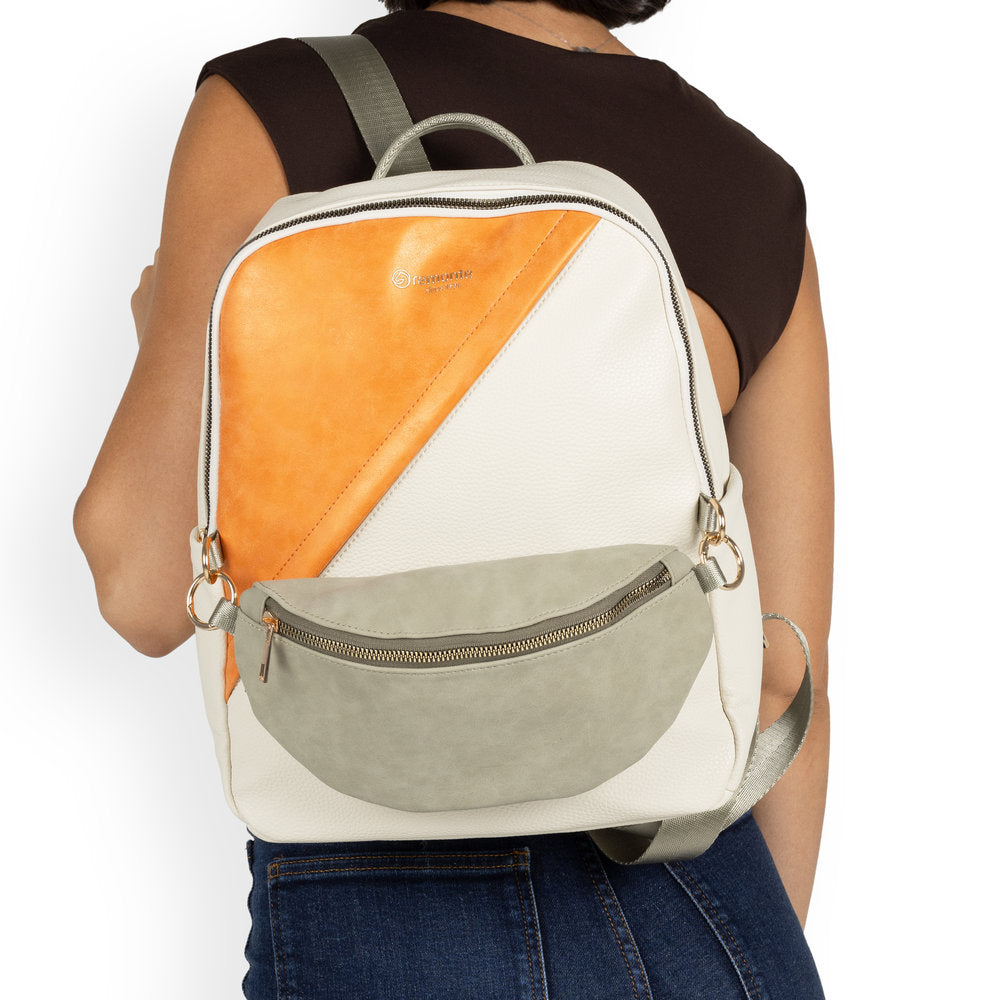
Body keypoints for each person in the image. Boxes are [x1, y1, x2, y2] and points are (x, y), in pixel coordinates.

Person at [74, 1, 833, 996]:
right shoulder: (751, 186)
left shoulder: (276, 105)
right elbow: (780, 674)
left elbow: (140, 583)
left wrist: (174, 345)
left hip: (384, 901)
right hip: (693, 892)